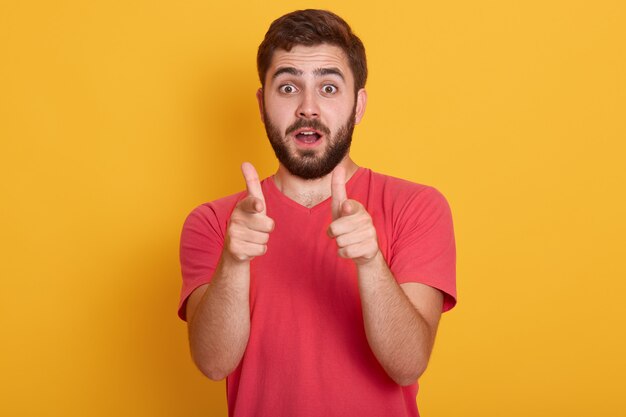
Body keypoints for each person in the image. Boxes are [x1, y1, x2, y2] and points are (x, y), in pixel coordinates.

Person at [178, 9, 456, 417]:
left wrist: (370, 261)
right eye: (288, 88)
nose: (308, 108)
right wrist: (234, 262)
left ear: (358, 104)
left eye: (328, 88)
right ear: (261, 103)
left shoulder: (417, 207)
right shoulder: (213, 223)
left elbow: (408, 364)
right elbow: (213, 362)